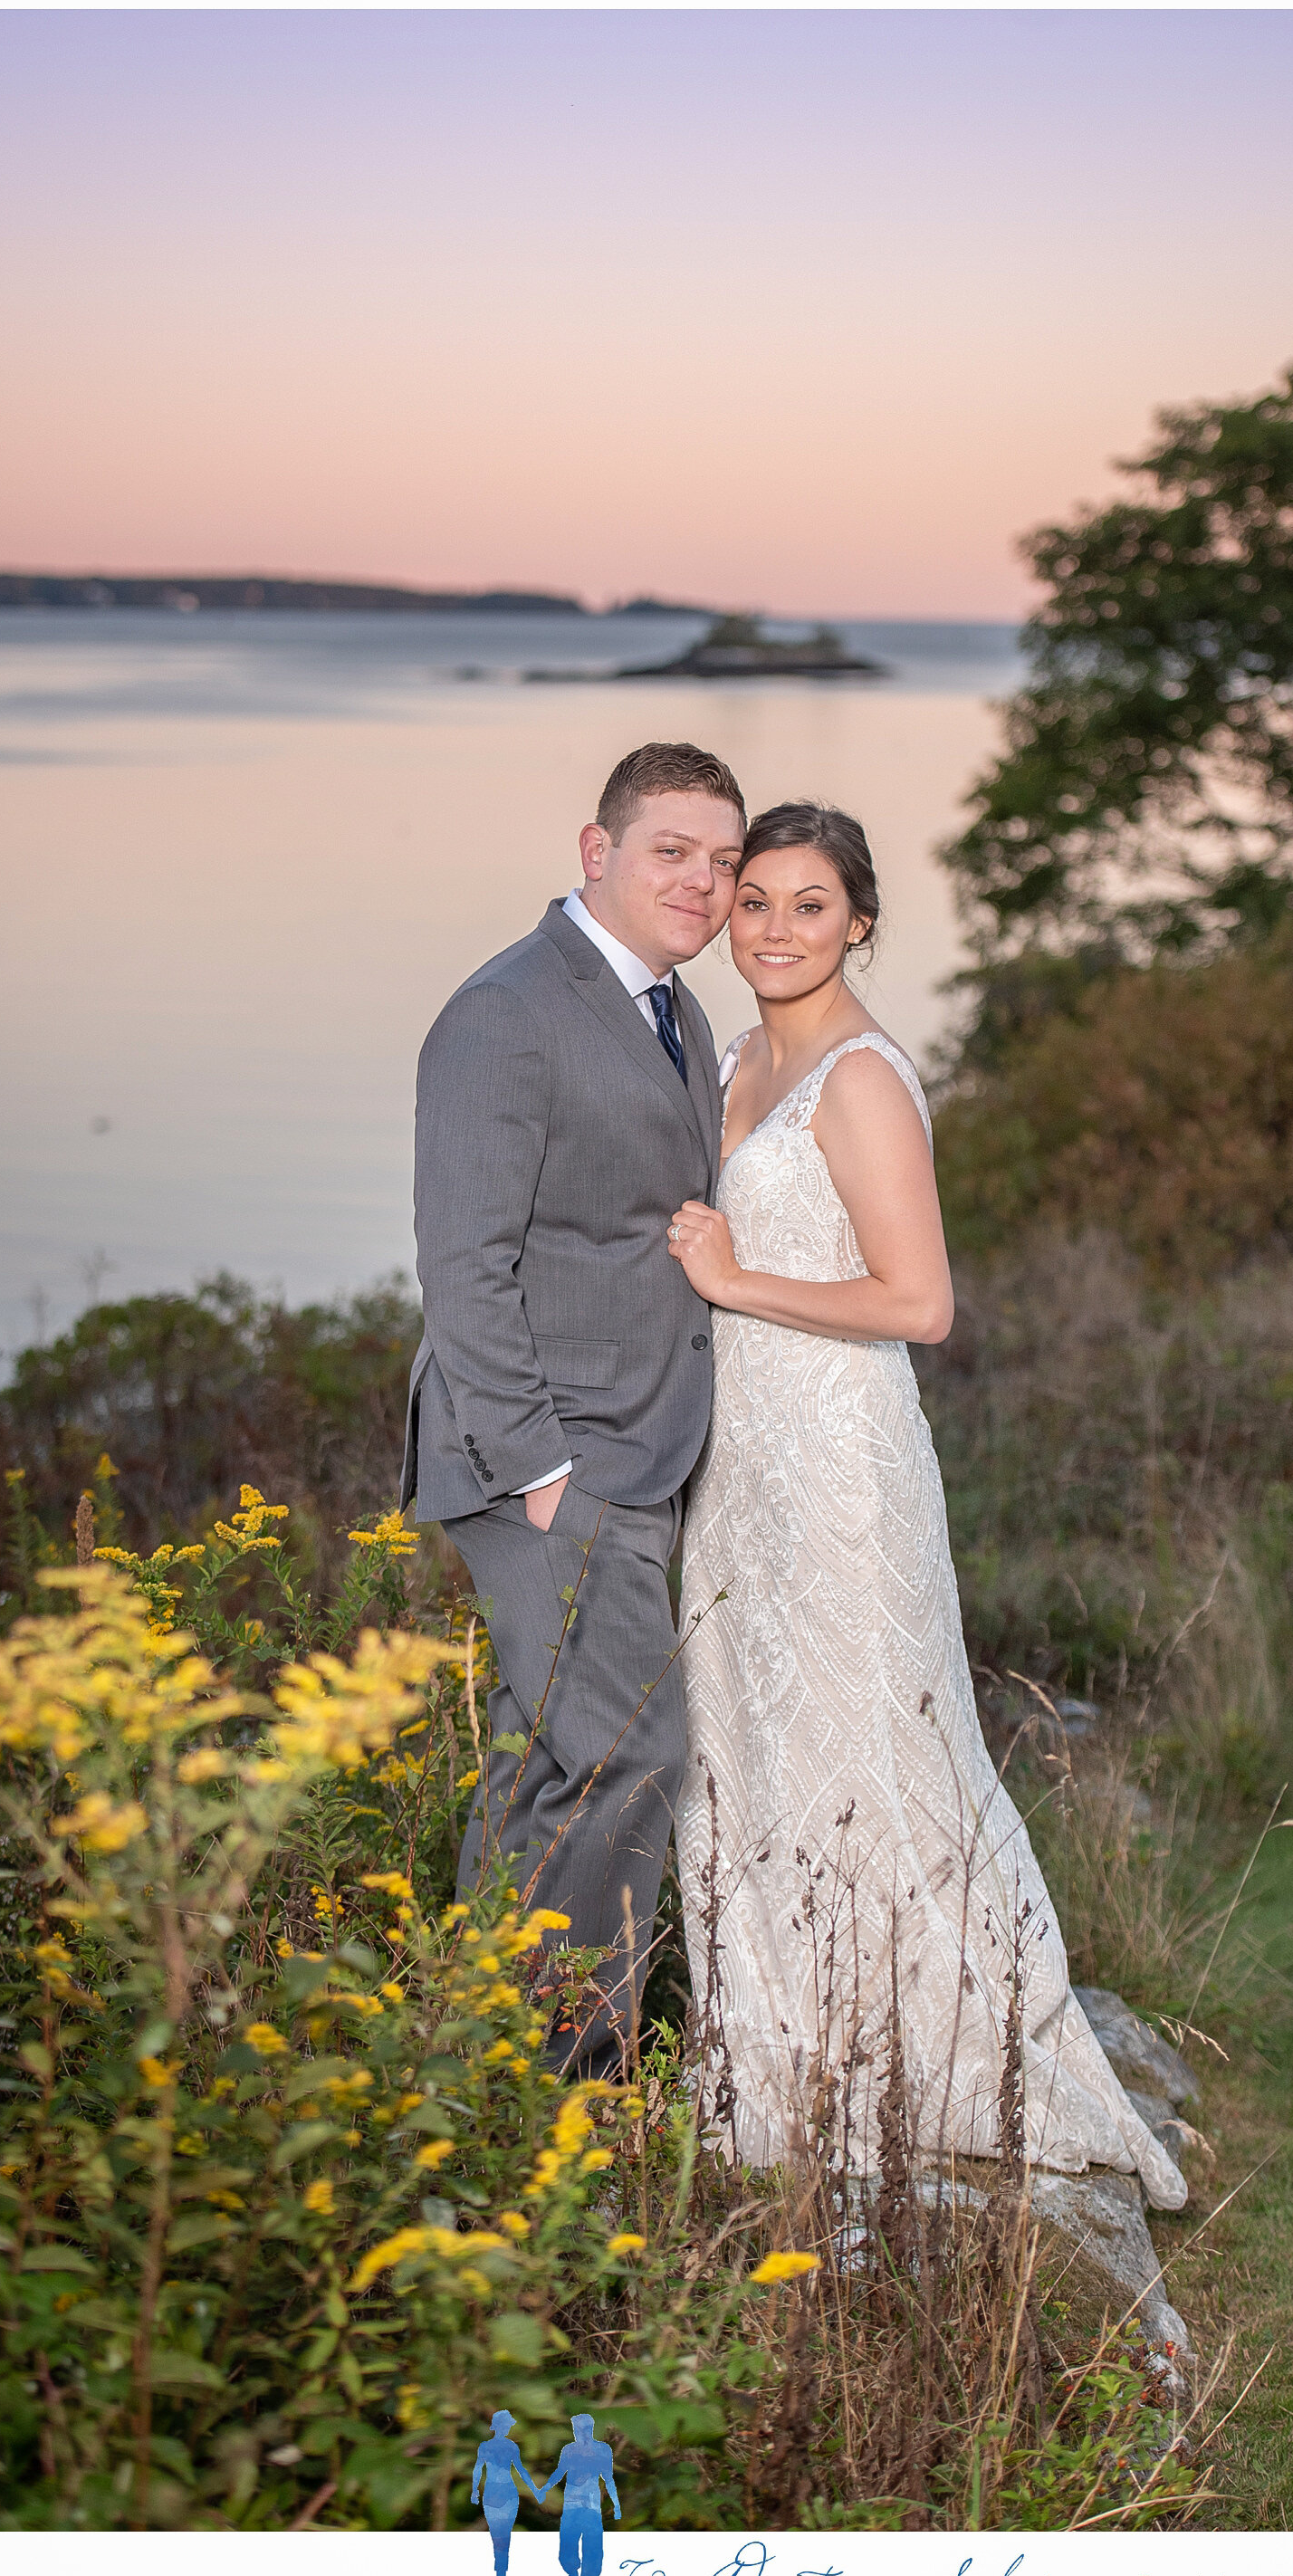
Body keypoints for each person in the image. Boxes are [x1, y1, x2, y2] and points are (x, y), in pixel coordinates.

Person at [666, 801, 1187, 2207]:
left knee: (875, 1748)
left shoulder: (861, 1079)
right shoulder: (730, 1055)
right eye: (756, 900)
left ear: (862, 923)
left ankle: (954, 2061)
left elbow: (922, 1302)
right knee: (753, 1741)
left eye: (809, 905)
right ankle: (782, 2054)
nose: (774, 928)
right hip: (740, 1466)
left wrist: (734, 1282)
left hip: (839, 1462)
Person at [402, 741, 744, 2075]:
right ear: (596, 851)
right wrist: (541, 1467)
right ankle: (576, 2088)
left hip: (637, 1446)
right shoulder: (507, 1012)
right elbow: (462, 1264)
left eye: (722, 862)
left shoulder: (675, 1009)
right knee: (635, 1752)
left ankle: (467, 2061)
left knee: (549, 1764)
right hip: (548, 1456)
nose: (704, 884)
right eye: (674, 851)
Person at [537, 2413, 621, 2576]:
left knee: (593, 2550)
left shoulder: (602, 2450)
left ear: (591, 2429)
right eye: (576, 2429)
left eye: (583, 2429)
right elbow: (560, 2472)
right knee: (567, 2548)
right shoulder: (569, 2450)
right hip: (571, 2505)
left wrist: (616, 2504)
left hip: (591, 2507)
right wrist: (545, 2488)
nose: (580, 2433)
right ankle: (572, 2573)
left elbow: (609, 2479)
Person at [471, 2408, 542, 2576]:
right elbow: (478, 2470)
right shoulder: (487, 2446)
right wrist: (474, 2490)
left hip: (506, 2493)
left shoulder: (510, 2447)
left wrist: (535, 2490)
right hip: (495, 2492)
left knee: (504, 2537)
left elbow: (521, 2470)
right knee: (497, 2537)